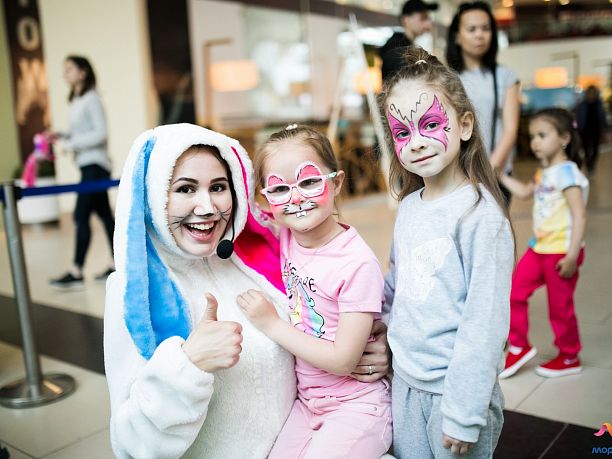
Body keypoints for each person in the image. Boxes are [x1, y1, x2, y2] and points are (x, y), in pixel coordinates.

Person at [103, 123, 390, 458]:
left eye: (218, 187)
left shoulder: (263, 248)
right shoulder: (135, 294)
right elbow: (129, 443)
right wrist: (187, 363)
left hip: (343, 416)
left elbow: (337, 313)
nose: (206, 207)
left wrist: (384, 343)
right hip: (305, 420)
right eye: (185, 189)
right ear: (153, 195)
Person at [381, 48, 514, 457]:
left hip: (454, 393)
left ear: (465, 125)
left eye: (430, 124)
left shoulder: (480, 216)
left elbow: (485, 324)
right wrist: (377, 334)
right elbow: (395, 287)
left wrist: (463, 412)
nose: (417, 143)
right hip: (406, 382)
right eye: (402, 133)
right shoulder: (409, 206)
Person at [237, 125, 393, 458]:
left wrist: (271, 324)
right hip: (307, 405)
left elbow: (343, 359)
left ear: (336, 183)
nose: (296, 198)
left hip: (357, 408)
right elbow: (239, 207)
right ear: (265, 198)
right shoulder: (286, 234)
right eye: (280, 189)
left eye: (309, 182)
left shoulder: (356, 263)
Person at [499, 108, 588, 380]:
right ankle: (519, 346)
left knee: (560, 308)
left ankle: (570, 356)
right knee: (514, 292)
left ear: (564, 139)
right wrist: (501, 175)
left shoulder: (568, 173)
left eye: (542, 135)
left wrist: (572, 255)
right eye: (532, 136)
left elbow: (580, 214)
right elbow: (525, 192)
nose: (535, 142)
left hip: (561, 251)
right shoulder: (544, 172)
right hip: (539, 248)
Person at [50, 55, 115, 290]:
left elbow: (100, 133)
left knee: (80, 215)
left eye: (69, 69)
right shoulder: (77, 100)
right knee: (105, 216)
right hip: (88, 165)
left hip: (95, 166)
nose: (64, 74)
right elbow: (82, 131)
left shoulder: (91, 98)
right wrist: (62, 135)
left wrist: (72, 144)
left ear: (83, 72)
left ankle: (76, 270)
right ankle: (118, 262)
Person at [446, 1, 520, 205]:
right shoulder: (446, 78)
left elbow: (511, 129)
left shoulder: (505, 76)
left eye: (486, 28)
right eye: (472, 29)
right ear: (457, 36)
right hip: (457, 176)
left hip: (496, 174)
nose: (480, 35)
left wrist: (489, 170)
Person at [379, 0, 439, 82]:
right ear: (406, 20)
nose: (429, 24)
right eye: (423, 18)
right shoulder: (397, 48)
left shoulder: (402, 45)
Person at [576, 85, 608, 175]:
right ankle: (588, 164)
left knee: (595, 148)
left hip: (596, 130)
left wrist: (606, 129)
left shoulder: (599, 104)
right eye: (589, 92)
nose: (591, 94)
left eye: (593, 93)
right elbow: (578, 118)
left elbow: (602, 117)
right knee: (586, 149)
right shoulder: (582, 105)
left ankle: (591, 164)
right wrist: (578, 129)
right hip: (585, 130)